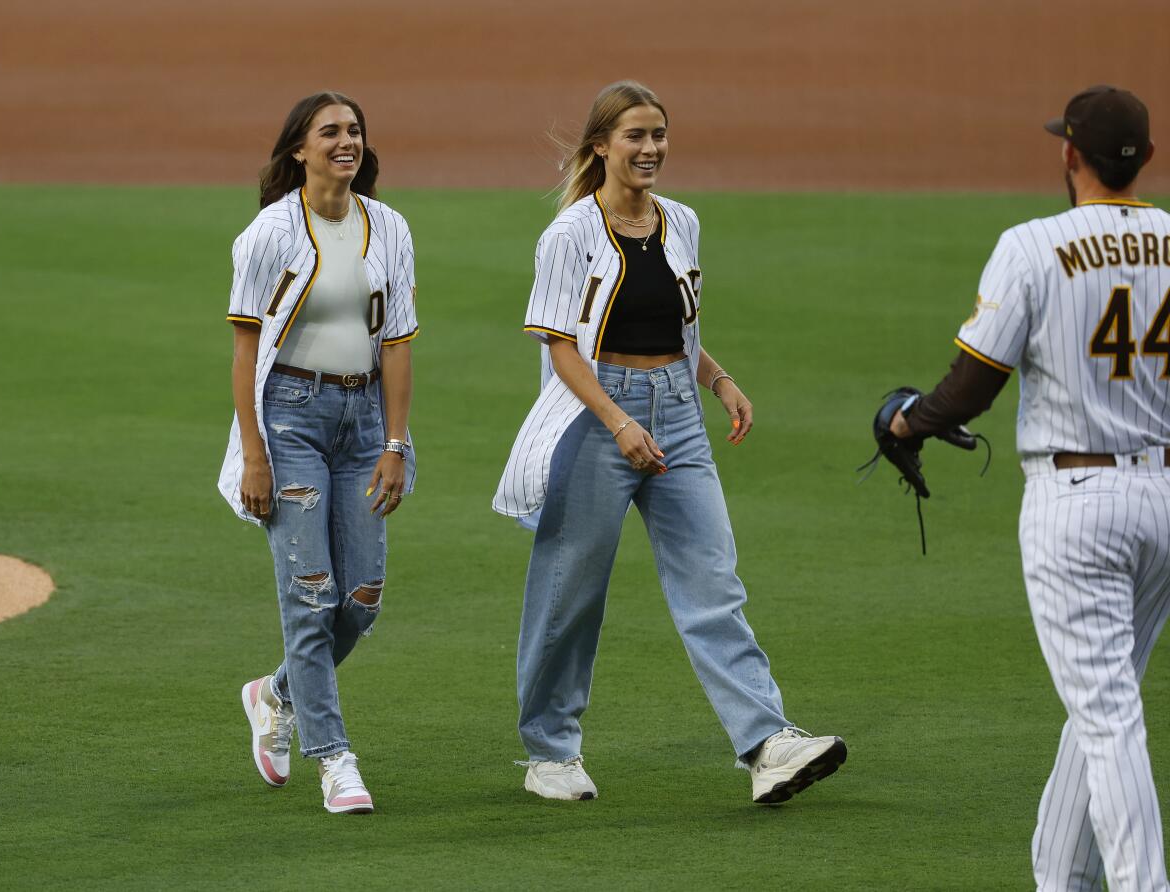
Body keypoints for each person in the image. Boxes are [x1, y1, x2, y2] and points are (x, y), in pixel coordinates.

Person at [493, 81, 847, 804]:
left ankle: (766, 743)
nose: (651, 149)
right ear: (601, 146)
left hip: (679, 414)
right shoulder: (568, 235)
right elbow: (562, 347)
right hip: (596, 416)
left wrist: (719, 381)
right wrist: (619, 422)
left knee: (712, 581)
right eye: (635, 136)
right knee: (571, 590)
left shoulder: (681, 221)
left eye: (658, 135)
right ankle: (550, 752)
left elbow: (679, 331)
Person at [888, 86, 1169, 890]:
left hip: (1076, 506)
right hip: (1165, 499)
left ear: (1069, 154)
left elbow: (972, 386)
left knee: (1109, 713)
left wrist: (907, 424)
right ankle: (1059, 877)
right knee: (1103, 696)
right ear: (1145, 158)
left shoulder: (1033, 245)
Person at [218, 91, 419, 815]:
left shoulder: (389, 227)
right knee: (312, 599)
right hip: (291, 422)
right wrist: (255, 453)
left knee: (361, 600)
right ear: (298, 149)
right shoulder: (270, 233)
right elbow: (246, 351)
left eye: (355, 130)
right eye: (330, 131)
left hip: (364, 424)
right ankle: (334, 759)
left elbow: (396, 345)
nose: (347, 141)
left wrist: (396, 443)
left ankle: (273, 693)